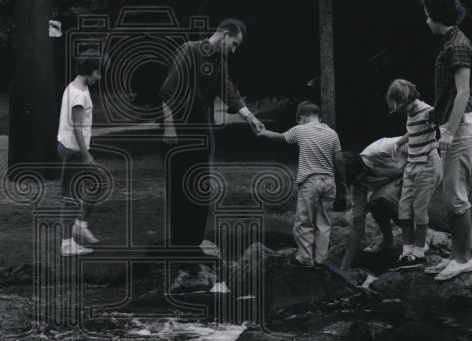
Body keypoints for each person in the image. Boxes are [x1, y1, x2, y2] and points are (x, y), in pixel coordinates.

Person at [160, 19, 263, 287]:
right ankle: (182, 253)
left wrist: (249, 117)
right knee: (180, 188)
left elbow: (229, 91)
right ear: (225, 34)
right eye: (235, 44)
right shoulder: (189, 50)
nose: (234, 50)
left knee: (199, 186)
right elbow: (167, 92)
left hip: (201, 125)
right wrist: (169, 128)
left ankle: (192, 245)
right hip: (179, 125)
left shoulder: (219, 63)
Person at [420, 0, 472, 281]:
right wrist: (435, 115)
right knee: (452, 196)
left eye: (427, 16)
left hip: (463, 124)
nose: (426, 22)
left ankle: (463, 259)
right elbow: (450, 93)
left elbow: (463, 93)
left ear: (436, 17)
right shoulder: (453, 42)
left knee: (455, 197)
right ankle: (457, 256)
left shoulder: (457, 45)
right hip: (460, 121)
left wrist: (447, 132)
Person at [258, 101, 345, 267]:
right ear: (319, 116)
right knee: (323, 223)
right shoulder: (332, 133)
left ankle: (305, 258)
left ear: (302, 118)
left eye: (299, 121)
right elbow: (339, 159)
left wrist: (263, 132)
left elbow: (280, 138)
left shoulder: (300, 130)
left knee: (303, 221)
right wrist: (342, 183)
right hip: (329, 181)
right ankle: (321, 259)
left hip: (310, 182)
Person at [386, 79, 442, 269]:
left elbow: (442, 123)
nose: (402, 113)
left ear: (408, 99)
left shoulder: (429, 112)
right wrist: (399, 143)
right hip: (411, 166)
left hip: (426, 165)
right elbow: (412, 131)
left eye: (402, 109)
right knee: (403, 210)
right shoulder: (410, 113)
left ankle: (418, 253)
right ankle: (407, 251)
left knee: (419, 210)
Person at [56, 53, 103, 257]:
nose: (99, 77)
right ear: (88, 72)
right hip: (74, 152)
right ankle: (67, 244)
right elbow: (76, 127)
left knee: (98, 184)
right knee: (71, 198)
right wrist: (85, 155)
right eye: (97, 72)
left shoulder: (78, 87)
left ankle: (80, 224)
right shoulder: (79, 95)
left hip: (72, 149)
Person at [340, 137, 407, 269]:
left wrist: (409, 174)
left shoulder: (380, 151)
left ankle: (416, 240)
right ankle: (388, 241)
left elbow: (417, 141)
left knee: (383, 197)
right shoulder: (357, 184)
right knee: (374, 203)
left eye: (355, 181)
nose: (355, 185)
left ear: (363, 170)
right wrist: (344, 266)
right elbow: (358, 227)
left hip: (422, 168)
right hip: (397, 179)